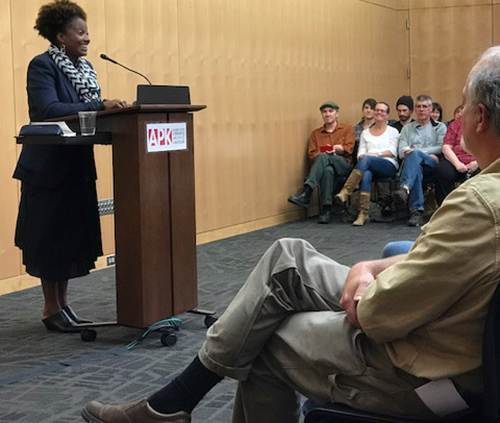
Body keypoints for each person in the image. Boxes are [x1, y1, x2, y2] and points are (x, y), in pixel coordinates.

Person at [82, 46, 500, 423]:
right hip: (443, 333)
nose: (458, 115)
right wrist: (371, 265)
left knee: (264, 338)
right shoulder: (486, 198)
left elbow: (378, 316)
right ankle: (172, 403)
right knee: (289, 255)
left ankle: (174, 400)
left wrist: (368, 286)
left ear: (480, 117)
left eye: (463, 105)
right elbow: (435, 257)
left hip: (427, 373)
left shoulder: (478, 204)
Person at [13, 0, 129, 333]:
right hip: (48, 167)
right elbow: (49, 109)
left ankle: (63, 305)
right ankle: (51, 308)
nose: (87, 37)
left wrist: (108, 110)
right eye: (80, 32)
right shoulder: (43, 65)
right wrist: (98, 105)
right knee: (50, 239)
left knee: (68, 239)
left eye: (87, 31)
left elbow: (89, 110)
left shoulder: (86, 71)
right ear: (61, 37)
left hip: (76, 164)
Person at [287, 101, 355, 224]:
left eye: (330, 111)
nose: (327, 114)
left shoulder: (347, 129)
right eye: (324, 112)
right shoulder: (316, 134)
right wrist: (323, 153)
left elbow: (349, 149)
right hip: (325, 167)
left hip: (343, 165)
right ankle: (326, 209)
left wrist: (338, 149)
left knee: (325, 156)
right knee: (327, 169)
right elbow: (312, 156)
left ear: (337, 114)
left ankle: (307, 192)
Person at [335, 102, 399, 226]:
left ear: (387, 115)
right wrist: (367, 157)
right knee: (366, 174)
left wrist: (374, 155)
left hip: (388, 165)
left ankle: (346, 191)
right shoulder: (365, 133)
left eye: (383, 111)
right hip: (368, 166)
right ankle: (363, 213)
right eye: (377, 110)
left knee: (367, 160)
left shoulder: (393, 131)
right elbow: (360, 154)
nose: (379, 112)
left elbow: (392, 152)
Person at [391, 95, 447, 227]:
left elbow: (441, 147)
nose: (421, 109)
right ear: (415, 109)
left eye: (425, 106)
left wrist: (420, 152)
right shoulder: (407, 129)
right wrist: (417, 153)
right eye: (418, 107)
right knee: (416, 169)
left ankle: (405, 188)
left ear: (430, 109)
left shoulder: (439, 127)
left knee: (415, 154)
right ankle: (416, 213)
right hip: (414, 166)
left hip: (432, 165)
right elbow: (400, 152)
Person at [433, 113, 479, 205]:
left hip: (479, 161)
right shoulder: (456, 124)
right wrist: (457, 164)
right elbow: (446, 147)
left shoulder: (490, 125)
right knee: (441, 171)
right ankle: (445, 207)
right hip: (456, 160)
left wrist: (477, 163)